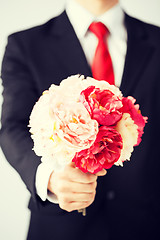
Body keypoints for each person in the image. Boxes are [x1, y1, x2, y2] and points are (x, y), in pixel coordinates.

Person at [0, 0, 160, 239]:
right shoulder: (26, 44)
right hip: (60, 227)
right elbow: (13, 126)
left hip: (146, 222)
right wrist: (49, 178)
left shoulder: (156, 40)